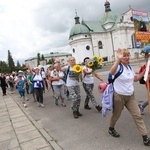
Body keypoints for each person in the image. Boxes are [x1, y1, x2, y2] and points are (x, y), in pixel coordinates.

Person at [108, 48, 150, 146]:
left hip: (130, 96)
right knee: (116, 115)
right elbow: (111, 72)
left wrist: (145, 70)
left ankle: (145, 138)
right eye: (124, 56)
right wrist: (118, 60)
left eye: (128, 55)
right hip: (119, 96)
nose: (126, 57)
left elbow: (135, 79)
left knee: (137, 116)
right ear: (121, 57)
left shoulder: (129, 68)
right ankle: (111, 128)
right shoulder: (118, 67)